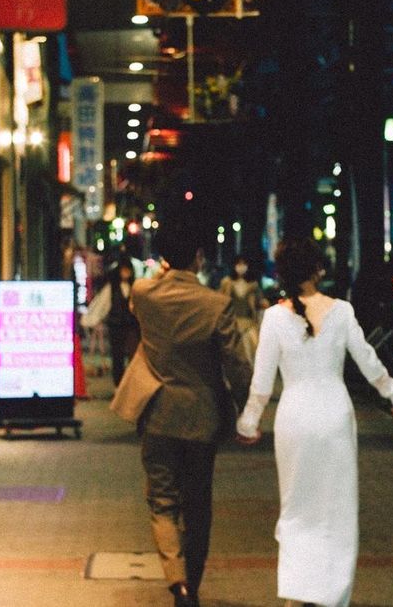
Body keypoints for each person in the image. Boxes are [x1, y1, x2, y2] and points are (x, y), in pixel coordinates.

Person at [236, 238, 393, 607]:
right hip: (334, 414)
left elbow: (262, 383)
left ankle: (297, 594)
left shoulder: (274, 319)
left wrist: (249, 422)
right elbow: (368, 361)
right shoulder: (342, 311)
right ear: (318, 270)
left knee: (297, 507)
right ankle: (333, 594)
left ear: (281, 274)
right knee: (337, 508)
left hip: (294, 418)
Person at [129, 223, 252, 607]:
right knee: (198, 504)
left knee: (162, 502)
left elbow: (143, 298)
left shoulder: (144, 293)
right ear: (199, 257)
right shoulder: (216, 304)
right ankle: (192, 588)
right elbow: (236, 364)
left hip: (158, 412)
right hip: (203, 416)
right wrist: (249, 409)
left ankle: (177, 582)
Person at [80, 260, 140, 385]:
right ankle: (118, 384)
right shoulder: (112, 288)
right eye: (123, 270)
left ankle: (130, 384)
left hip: (131, 326)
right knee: (117, 357)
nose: (125, 273)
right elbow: (102, 305)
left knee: (133, 357)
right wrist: (92, 320)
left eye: (128, 270)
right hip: (116, 325)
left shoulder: (134, 287)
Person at [218, 255, 269, 364]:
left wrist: (263, 304)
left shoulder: (253, 285)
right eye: (238, 264)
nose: (241, 267)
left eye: (244, 264)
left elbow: (260, 302)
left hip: (249, 325)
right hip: (231, 324)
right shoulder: (227, 283)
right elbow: (220, 301)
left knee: (251, 356)